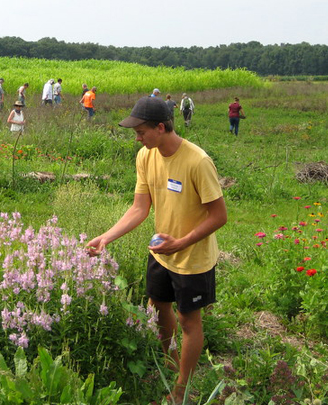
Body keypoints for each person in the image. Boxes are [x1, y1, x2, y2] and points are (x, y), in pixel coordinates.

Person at [86, 96, 227, 405]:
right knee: (157, 305)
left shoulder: (197, 161)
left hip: (193, 257)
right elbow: (140, 208)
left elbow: (219, 216)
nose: (137, 138)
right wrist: (106, 237)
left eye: (141, 132)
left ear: (161, 128)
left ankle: (181, 389)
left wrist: (182, 242)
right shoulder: (145, 157)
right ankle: (171, 364)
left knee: (190, 321)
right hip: (161, 251)